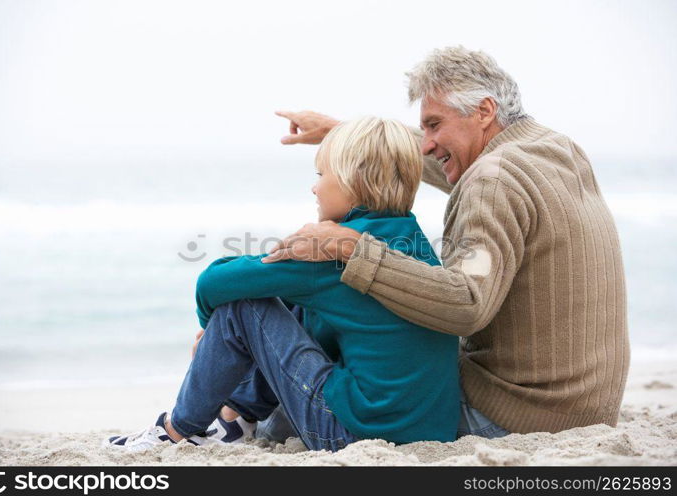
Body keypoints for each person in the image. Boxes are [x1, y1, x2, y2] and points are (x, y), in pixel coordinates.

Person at [266, 46, 630, 435]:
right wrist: (344, 133)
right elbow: (460, 170)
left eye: (434, 125)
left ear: (485, 111)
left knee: (351, 340)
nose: (425, 143)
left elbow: (466, 304)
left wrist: (352, 248)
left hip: (517, 412)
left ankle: (245, 416)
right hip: (584, 408)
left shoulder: (492, 182)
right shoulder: (554, 150)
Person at [104, 117, 460, 452]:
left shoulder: (330, 252)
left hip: (353, 434)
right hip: (428, 432)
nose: (314, 186)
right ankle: (234, 417)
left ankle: (177, 431)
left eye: (322, 174)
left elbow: (213, 282)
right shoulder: (412, 242)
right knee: (296, 301)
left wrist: (208, 330)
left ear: (355, 182)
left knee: (243, 305)